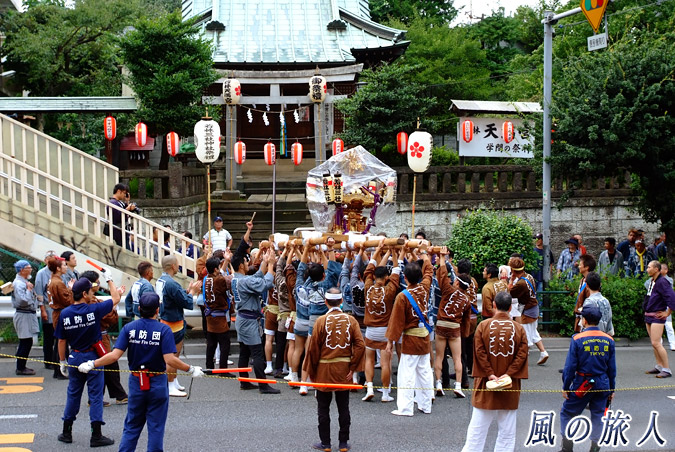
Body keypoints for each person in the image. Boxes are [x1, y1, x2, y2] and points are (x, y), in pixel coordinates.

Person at [77, 293, 205, 452]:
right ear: (157, 310)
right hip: (157, 382)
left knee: (132, 425)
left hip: (137, 381)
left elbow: (114, 355)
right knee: (156, 427)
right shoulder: (163, 330)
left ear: (139, 309)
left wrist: (92, 363)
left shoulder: (129, 328)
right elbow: (170, 360)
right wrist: (191, 369)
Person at [54, 276, 120, 447]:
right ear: (84, 293)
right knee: (96, 396)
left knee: (73, 395)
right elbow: (116, 298)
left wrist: (62, 361)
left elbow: (61, 341)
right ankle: (96, 435)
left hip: (74, 357)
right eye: (91, 291)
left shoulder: (65, 314)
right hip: (93, 358)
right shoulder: (94, 310)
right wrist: (110, 280)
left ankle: (66, 432)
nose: (92, 293)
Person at [460, 292, 529, 452]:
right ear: (511, 308)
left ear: (494, 306)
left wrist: (490, 374)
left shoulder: (483, 326)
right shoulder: (519, 329)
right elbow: (522, 354)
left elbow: (479, 352)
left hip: (486, 384)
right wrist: (509, 374)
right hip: (509, 386)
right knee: (507, 433)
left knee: (477, 432)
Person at [304, 288, 365, 452]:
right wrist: (353, 367)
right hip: (343, 369)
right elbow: (360, 345)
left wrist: (313, 371)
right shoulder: (351, 320)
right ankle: (343, 443)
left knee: (323, 407)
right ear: (341, 301)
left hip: (324, 368)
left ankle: (325, 443)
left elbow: (313, 349)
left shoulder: (320, 321)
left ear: (326, 302)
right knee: (343, 407)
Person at [559, 305, 616, 452]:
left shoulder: (578, 339)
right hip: (603, 383)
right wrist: (612, 389)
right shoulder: (608, 340)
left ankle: (567, 447)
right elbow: (612, 368)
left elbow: (570, 367)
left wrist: (566, 387)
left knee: (568, 412)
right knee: (598, 414)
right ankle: (595, 448)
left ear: (584, 320)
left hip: (582, 384)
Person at [385, 251, 434, 416]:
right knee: (425, 371)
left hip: (411, 338)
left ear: (404, 278)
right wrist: (424, 255)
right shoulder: (425, 288)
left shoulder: (402, 296)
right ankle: (425, 405)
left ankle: (405, 407)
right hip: (425, 336)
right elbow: (429, 271)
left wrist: (390, 342)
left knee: (407, 372)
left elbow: (396, 321)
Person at [232, 247, 281, 394]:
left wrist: (265, 263)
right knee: (257, 352)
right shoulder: (244, 281)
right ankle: (263, 385)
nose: (248, 263)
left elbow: (258, 276)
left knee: (244, 351)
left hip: (242, 318)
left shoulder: (237, 278)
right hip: (248, 320)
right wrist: (271, 264)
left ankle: (245, 381)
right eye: (246, 262)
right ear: (241, 265)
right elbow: (265, 284)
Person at [80, 270, 128, 405]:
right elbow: (110, 316)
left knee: (105, 367)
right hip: (100, 339)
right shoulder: (92, 303)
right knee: (107, 365)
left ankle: (116, 395)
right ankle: (109, 396)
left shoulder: (87, 301)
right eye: (97, 282)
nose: (99, 284)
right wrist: (112, 286)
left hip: (92, 339)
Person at [156, 255, 201, 397]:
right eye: (177, 264)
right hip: (173, 323)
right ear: (173, 266)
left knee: (175, 355)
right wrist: (193, 291)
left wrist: (187, 291)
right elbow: (186, 302)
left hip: (166, 320)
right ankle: (169, 385)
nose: (179, 266)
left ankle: (173, 381)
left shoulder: (161, 280)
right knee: (172, 356)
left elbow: (176, 297)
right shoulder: (171, 283)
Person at [361, 242, 400, 402]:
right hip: (385, 330)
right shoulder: (390, 290)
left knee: (369, 359)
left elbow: (368, 270)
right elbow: (397, 272)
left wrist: (377, 250)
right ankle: (385, 393)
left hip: (370, 329)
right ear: (386, 278)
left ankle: (369, 387)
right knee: (386, 362)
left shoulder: (368, 287)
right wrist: (394, 254)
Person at [436, 247, 471, 398]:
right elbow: (466, 321)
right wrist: (464, 334)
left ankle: (438, 383)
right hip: (455, 327)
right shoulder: (467, 300)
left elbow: (442, 275)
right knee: (457, 358)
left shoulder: (448, 290)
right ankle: (458, 385)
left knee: (439, 356)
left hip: (441, 324)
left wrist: (442, 257)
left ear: (457, 282)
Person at [508, 256, 549, 365]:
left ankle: (522, 360)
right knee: (533, 332)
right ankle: (543, 352)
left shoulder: (520, 284)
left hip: (528, 309)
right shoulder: (529, 276)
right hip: (534, 307)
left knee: (525, 335)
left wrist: (511, 281)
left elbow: (509, 293)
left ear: (512, 270)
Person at [643, 260, 675, 378]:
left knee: (657, 343)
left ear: (656, 269)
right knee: (654, 343)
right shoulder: (653, 281)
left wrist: (668, 312)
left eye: (649, 267)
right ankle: (659, 365)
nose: (647, 269)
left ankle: (667, 369)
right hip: (649, 314)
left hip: (656, 315)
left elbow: (671, 296)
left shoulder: (662, 282)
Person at [203, 254, 234, 370]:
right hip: (219, 317)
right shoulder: (219, 280)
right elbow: (231, 279)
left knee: (211, 344)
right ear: (215, 269)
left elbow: (221, 274)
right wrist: (231, 265)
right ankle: (223, 368)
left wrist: (226, 260)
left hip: (210, 316)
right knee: (225, 344)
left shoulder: (208, 279)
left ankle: (209, 368)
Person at [12, 260, 39, 375]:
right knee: (25, 341)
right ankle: (20, 367)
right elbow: (23, 301)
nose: (31, 269)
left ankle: (22, 366)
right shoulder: (19, 283)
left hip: (26, 314)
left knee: (27, 341)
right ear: (22, 270)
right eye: (28, 268)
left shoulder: (23, 281)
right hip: (23, 314)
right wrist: (29, 291)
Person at [48, 256, 72, 380]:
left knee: (60, 341)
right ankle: (60, 370)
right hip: (61, 312)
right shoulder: (58, 282)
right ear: (58, 268)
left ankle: (58, 370)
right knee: (62, 341)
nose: (66, 267)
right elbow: (67, 300)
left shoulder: (53, 280)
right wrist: (71, 290)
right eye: (64, 265)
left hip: (57, 312)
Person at [35, 251, 58, 369]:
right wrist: (42, 310)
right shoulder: (41, 273)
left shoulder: (58, 272)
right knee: (49, 337)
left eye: (54, 258)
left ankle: (57, 359)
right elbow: (39, 292)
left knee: (58, 337)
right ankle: (48, 361)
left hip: (58, 309)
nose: (52, 260)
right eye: (50, 258)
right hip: (48, 308)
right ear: (45, 260)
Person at [572, 254, 596, 333]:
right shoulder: (582, 280)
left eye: (580, 264)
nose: (579, 266)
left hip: (586, 317)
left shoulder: (591, 282)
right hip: (579, 314)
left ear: (586, 267)